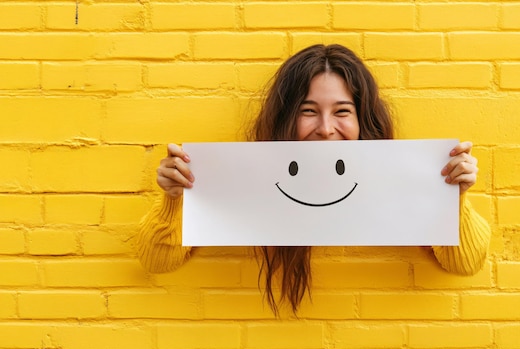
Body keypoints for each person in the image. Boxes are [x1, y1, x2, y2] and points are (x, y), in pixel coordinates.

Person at [136, 44, 491, 315]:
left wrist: (453, 198)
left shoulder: (399, 181)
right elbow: (156, 264)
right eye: (308, 111)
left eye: (342, 112)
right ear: (287, 117)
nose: (325, 129)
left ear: (362, 120)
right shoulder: (241, 177)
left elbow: (465, 266)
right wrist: (174, 200)